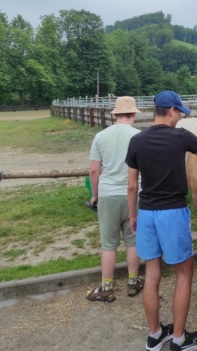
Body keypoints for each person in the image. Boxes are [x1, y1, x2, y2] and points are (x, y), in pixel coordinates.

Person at [126, 90, 197, 351]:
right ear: (173, 111)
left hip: (146, 213)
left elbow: (132, 186)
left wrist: (134, 214)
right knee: (183, 274)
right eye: (180, 113)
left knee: (152, 274)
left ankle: (155, 335)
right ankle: (179, 339)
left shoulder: (137, 141)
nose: (180, 118)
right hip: (173, 213)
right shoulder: (182, 137)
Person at [85, 96, 144, 303]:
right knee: (132, 241)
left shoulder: (100, 136)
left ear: (115, 114)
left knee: (109, 245)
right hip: (134, 193)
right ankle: (133, 282)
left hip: (108, 194)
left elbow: (94, 170)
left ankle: (107, 287)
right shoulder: (139, 136)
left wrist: (95, 195)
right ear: (133, 114)